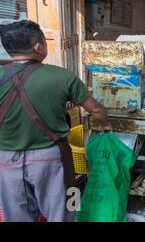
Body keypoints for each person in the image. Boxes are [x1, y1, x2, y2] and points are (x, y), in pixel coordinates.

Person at [0, 20, 111, 222]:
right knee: (69, 206)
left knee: (15, 216)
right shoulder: (61, 76)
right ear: (38, 46)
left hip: (5, 161)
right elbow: (95, 109)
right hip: (52, 157)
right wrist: (102, 122)